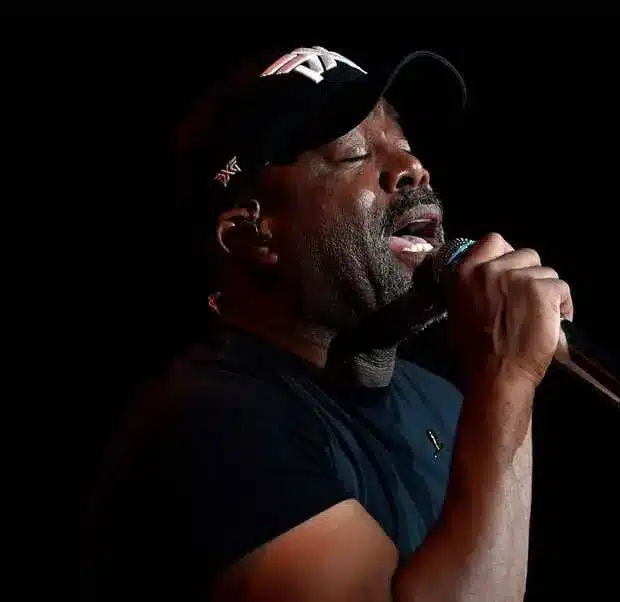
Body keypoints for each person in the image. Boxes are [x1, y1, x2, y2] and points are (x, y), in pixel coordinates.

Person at [85, 45, 573, 602]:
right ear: (252, 236)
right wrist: (507, 376)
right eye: (353, 154)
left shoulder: (444, 404)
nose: (413, 168)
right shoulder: (209, 424)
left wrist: (507, 381)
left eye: (406, 145)